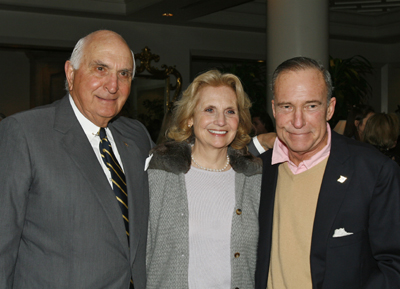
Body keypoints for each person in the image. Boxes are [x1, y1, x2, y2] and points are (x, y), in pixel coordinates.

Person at [0, 30, 153, 288]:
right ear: (71, 74)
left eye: (124, 74)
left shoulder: (136, 135)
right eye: (101, 69)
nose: (113, 86)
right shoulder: (24, 134)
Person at [255, 57, 400, 288]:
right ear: (274, 109)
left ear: (330, 108)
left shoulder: (373, 172)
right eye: (287, 106)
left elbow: (394, 265)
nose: (298, 121)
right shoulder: (257, 172)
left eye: (311, 105)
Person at [146, 70, 262, 289]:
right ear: (190, 118)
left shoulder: (254, 179)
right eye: (210, 110)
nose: (221, 121)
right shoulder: (160, 173)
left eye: (230, 111)